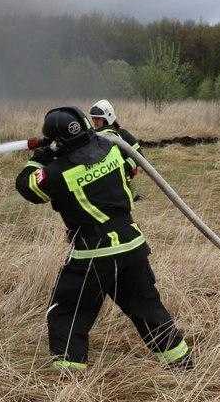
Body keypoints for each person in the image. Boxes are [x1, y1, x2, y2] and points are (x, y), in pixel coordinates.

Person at [15, 106, 192, 372]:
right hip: (131, 246)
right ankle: (182, 363)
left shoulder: (58, 172)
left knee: (68, 314)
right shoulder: (111, 149)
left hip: (93, 255)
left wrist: (40, 157)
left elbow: (26, 186)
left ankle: (68, 378)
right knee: (148, 309)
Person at [89, 98, 141, 178]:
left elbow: (139, 156)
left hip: (122, 179)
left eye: (97, 119)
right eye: (93, 118)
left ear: (107, 118)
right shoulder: (94, 135)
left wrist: (123, 167)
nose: (94, 122)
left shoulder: (122, 134)